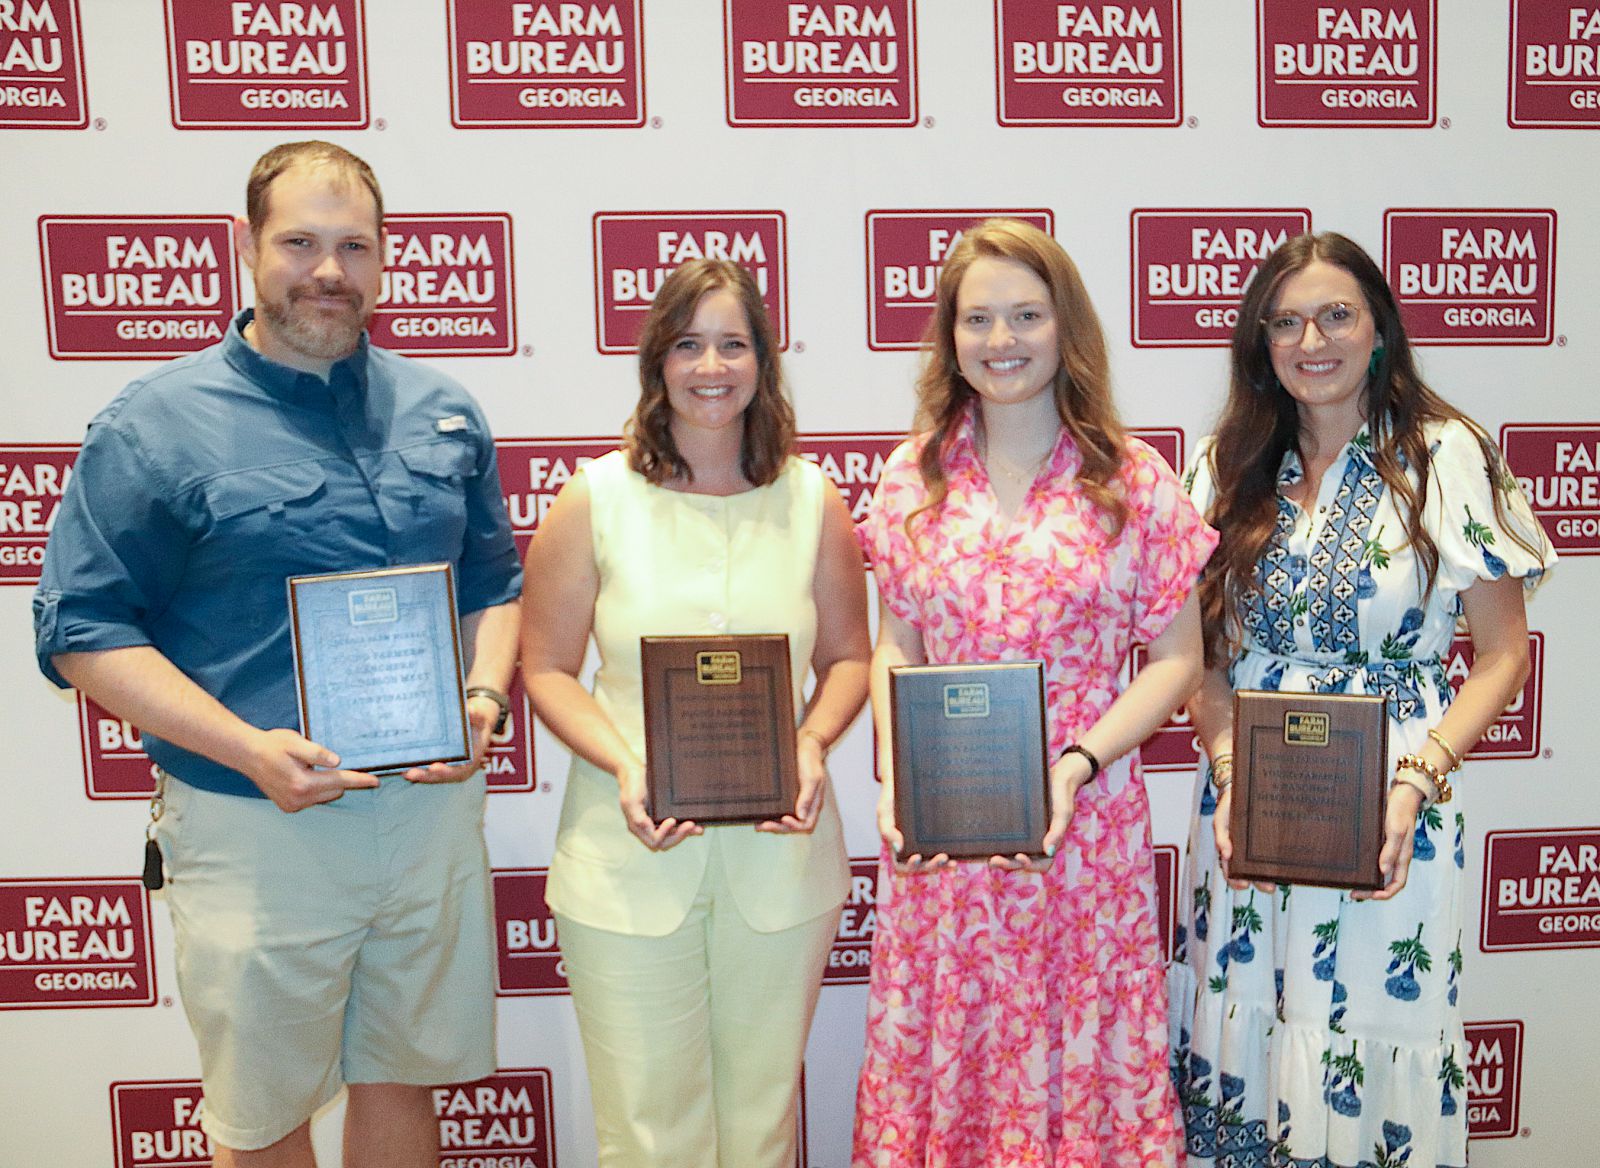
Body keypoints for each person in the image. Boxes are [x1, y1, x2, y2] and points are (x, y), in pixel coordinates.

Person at [32, 141, 522, 1168]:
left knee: (403, 1078)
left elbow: (491, 586)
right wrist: (248, 748)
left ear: (385, 258)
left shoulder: (443, 410)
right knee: (263, 1117)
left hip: (425, 814)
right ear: (245, 247)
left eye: (355, 246)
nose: (328, 270)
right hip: (257, 822)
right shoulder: (154, 425)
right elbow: (83, 630)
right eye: (299, 242)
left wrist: (480, 700)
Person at [1171, 231, 1555, 1168]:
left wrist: (1417, 782)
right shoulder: (1226, 463)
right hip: (1250, 810)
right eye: (1286, 322)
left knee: (1371, 1044)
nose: (1312, 341)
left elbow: (1504, 655)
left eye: (1336, 315)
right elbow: (1200, 659)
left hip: (1395, 812)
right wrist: (1231, 773)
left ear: (1379, 328)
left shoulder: (1447, 455)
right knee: (1249, 1034)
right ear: (1261, 342)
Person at [851, 218, 1216, 1166]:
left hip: (1083, 835)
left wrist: (1077, 762)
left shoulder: (1132, 480)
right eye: (977, 318)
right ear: (950, 335)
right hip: (945, 840)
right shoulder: (910, 476)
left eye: (1026, 315)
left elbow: (1177, 659)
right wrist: (899, 778)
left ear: (1066, 328)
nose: (1001, 339)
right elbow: (897, 643)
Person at [519, 258, 871, 1168]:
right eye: (688, 345)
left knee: (760, 1125)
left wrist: (811, 740)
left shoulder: (813, 499)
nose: (711, 367)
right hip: (626, 856)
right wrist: (625, 762)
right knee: (648, 1132)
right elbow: (546, 669)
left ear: (763, 361)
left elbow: (848, 659)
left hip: (782, 860)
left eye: (732, 344)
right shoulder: (595, 498)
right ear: (657, 362)